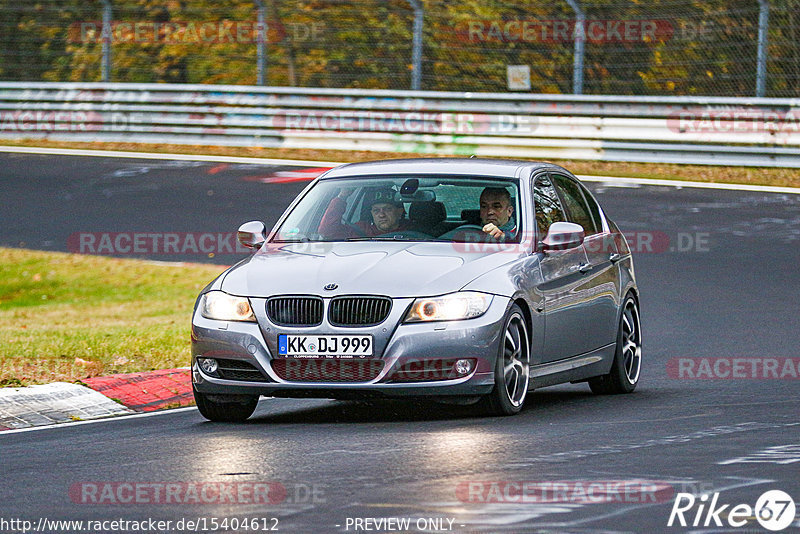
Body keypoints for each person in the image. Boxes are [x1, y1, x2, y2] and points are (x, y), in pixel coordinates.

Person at [318, 187, 411, 238]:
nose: (381, 215)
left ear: (399, 212)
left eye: (387, 209)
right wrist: (343, 196)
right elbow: (327, 231)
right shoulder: (360, 230)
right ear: (371, 213)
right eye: (376, 210)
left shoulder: (414, 230)